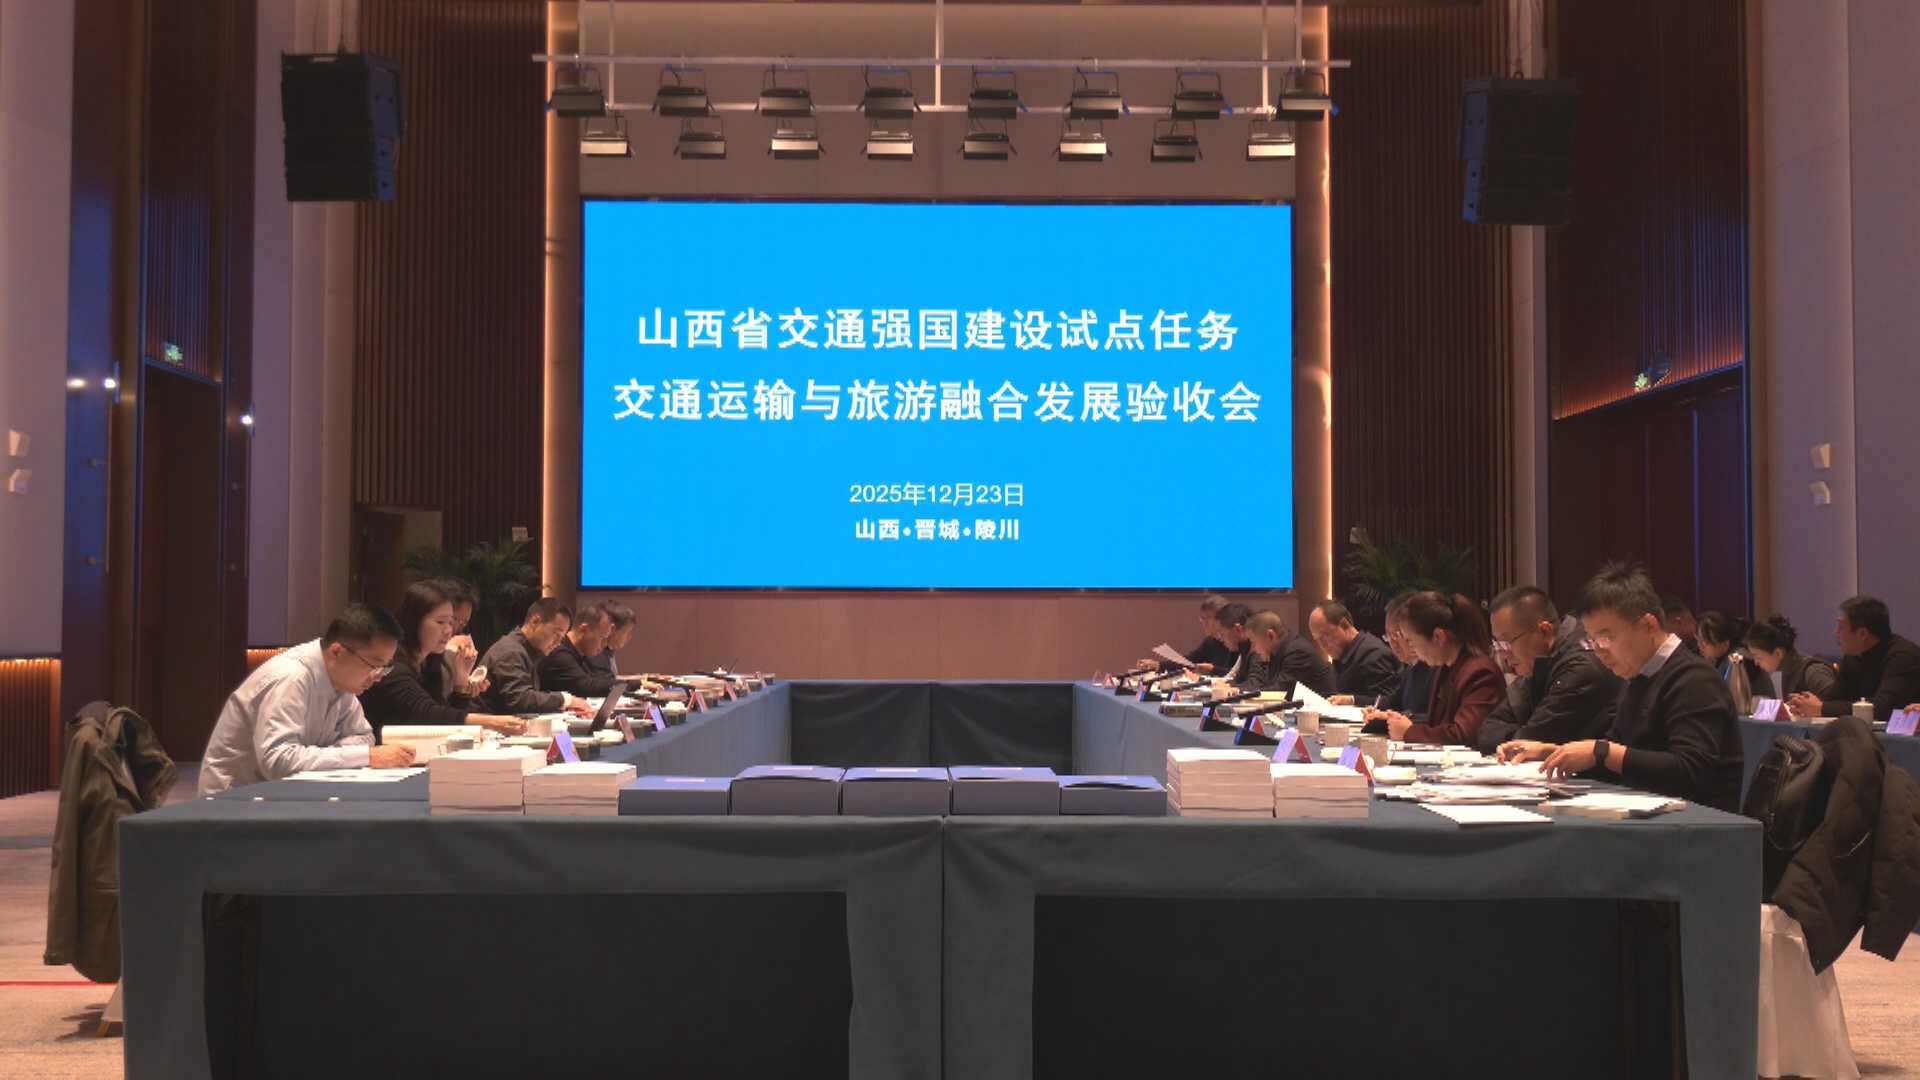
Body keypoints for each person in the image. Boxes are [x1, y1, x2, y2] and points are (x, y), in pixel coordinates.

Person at [1500, 563, 1744, 812]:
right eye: (1592, 641)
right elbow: (1617, 758)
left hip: (1700, 824)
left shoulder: (1694, 679)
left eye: (1605, 638)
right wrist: (1554, 753)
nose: (1599, 652)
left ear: (1648, 625)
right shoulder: (1639, 676)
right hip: (1654, 817)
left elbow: (1690, 772)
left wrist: (1602, 751)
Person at [197, 604, 416, 796]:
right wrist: (365, 757)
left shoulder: (342, 681)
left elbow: (364, 737)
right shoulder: (290, 678)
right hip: (235, 802)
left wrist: (323, 754)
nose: (377, 676)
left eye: (384, 667)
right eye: (374, 665)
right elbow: (278, 761)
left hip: (283, 794)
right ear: (337, 651)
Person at [358, 579, 525, 738]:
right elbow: (428, 714)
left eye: (451, 623)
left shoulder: (429, 664)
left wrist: (461, 684)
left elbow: (446, 719)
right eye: (440, 622)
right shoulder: (392, 666)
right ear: (414, 621)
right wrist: (491, 722)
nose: (448, 630)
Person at [1475, 585, 1620, 754]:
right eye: (1498, 644)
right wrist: (1519, 735)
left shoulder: (1581, 668)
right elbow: (1487, 731)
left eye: (1507, 643)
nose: (1503, 654)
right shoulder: (1538, 663)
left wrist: (1518, 735)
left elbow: (1531, 740)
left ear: (1545, 631)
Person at [1367, 591, 1503, 746]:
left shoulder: (1480, 672)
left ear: (1438, 636)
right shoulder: (1444, 668)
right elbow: (1436, 724)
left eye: (1410, 641)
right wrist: (1392, 719)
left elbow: (1464, 734)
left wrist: (1409, 732)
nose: (1411, 648)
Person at [1792, 595, 1920, 723]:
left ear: (1862, 634)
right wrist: (1805, 705)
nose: (1835, 632)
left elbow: (1882, 708)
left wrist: (1822, 709)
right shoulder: (1853, 656)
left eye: (1841, 627)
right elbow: (1834, 700)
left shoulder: (1903, 656)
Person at [479, 598, 590, 715]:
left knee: (567, 725)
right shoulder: (510, 651)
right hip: (485, 725)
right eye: (556, 634)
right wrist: (566, 700)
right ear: (535, 621)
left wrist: (564, 706)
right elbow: (521, 700)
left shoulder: (528, 651)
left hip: (509, 723)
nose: (558, 643)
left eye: (561, 638)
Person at [1357, 593, 1432, 722]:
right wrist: (1376, 711)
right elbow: (1394, 701)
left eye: (1397, 635)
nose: (1393, 644)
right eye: (1389, 636)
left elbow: (1434, 719)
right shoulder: (1410, 667)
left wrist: (1392, 717)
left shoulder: (1435, 667)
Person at [1307, 600, 1402, 701]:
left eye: (1325, 636)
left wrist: (1352, 700)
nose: (1322, 645)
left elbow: (1388, 702)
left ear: (1344, 625)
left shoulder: (1373, 655)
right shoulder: (1343, 655)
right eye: (1317, 639)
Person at [1744, 614, 1837, 715]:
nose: (1756, 663)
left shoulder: (1814, 671)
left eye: (1758, 657)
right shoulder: (1783, 671)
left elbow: (1838, 706)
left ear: (1778, 653)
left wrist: (1818, 708)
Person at [1237, 610, 1338, 697]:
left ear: (1270, 635)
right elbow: (1263, 685)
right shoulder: (1275, 652)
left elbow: (1280, 692)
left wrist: (1239, 693)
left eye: (1254, 642)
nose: (1254, 649)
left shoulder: (1297, 652)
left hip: (1324, 711)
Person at [540, 600, 624, 697]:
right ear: (584, 630)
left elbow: (599, 680)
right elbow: (586, 686)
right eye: (601, 638)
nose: (604, 645)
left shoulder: (581, 652)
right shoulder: (560, 653)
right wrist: (629, 684)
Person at [585, 603, 637, 683]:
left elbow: (611, 679)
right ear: (613, 629)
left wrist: (640, 679)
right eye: (626, 632)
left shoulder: (608, 651)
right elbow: (608, 684)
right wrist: (638, 684)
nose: (629, 637)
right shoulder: (596, 653)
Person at [1212, 602, 1256, 681]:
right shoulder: (1244, 648)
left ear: (1238, 629)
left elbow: (1253, 685)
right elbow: (1231, 677)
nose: (1220, 638)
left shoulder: (1257, 650)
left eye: (1222, 633)